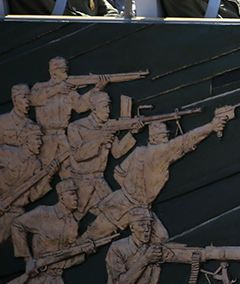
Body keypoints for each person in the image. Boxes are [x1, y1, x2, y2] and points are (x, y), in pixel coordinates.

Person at [81, 113, 229, 242]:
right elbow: (186, 141)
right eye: (165, 136)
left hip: (129, 202)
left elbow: (118, 173)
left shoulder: (139, 151)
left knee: (160, 239)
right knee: (91, 237)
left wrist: (131, 189)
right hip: (124, 207)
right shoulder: (160, 152)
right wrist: (211, 126)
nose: (167, 139)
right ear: (156, 138)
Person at [2, 179, 85, 284]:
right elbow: (17, 224)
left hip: (55, 281)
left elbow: (69, 256)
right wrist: (28, 259)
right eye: (72, 194)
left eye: (76, 194)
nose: (76, 198)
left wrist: (83, 253)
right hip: (36, 280)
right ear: (61, 197)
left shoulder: (73, 223)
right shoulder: (43, 213)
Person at [64, 91, 139, 219]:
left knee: (118, 217)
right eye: (104, 106)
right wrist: (100, 140)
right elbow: (78, 154)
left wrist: (132, 133)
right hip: (80, 184)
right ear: (93, 108)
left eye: (109, 106)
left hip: (99, 183)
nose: (108, 111)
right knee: (71, 220)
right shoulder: (76, 127)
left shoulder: (107, 127)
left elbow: (117, 152)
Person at [92, 207, 163, 284]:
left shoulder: (152, 250)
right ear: (132, 227)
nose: (147, 230)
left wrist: (205, 254)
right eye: (142, 225)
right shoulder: (117, 248)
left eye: (149, 225)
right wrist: (145, 260)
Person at [30, 57, 108, 166]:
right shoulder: (40, 88)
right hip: (45, 140)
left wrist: (96, 89)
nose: (66, 76)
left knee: (70, 172)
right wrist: (57, 89)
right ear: (53, 73)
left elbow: (80, 107)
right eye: (63, 71)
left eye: (66, 71)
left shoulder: (68, 90)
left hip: (62, 139)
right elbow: (32, 99)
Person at [0, 124, 57, 243]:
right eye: (37, 139)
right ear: (26, 139)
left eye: (41, 139)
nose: (40, 143)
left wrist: (49, 176)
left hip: (15, 214)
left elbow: (34, 195)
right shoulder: (6, 152)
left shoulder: (35, 164)